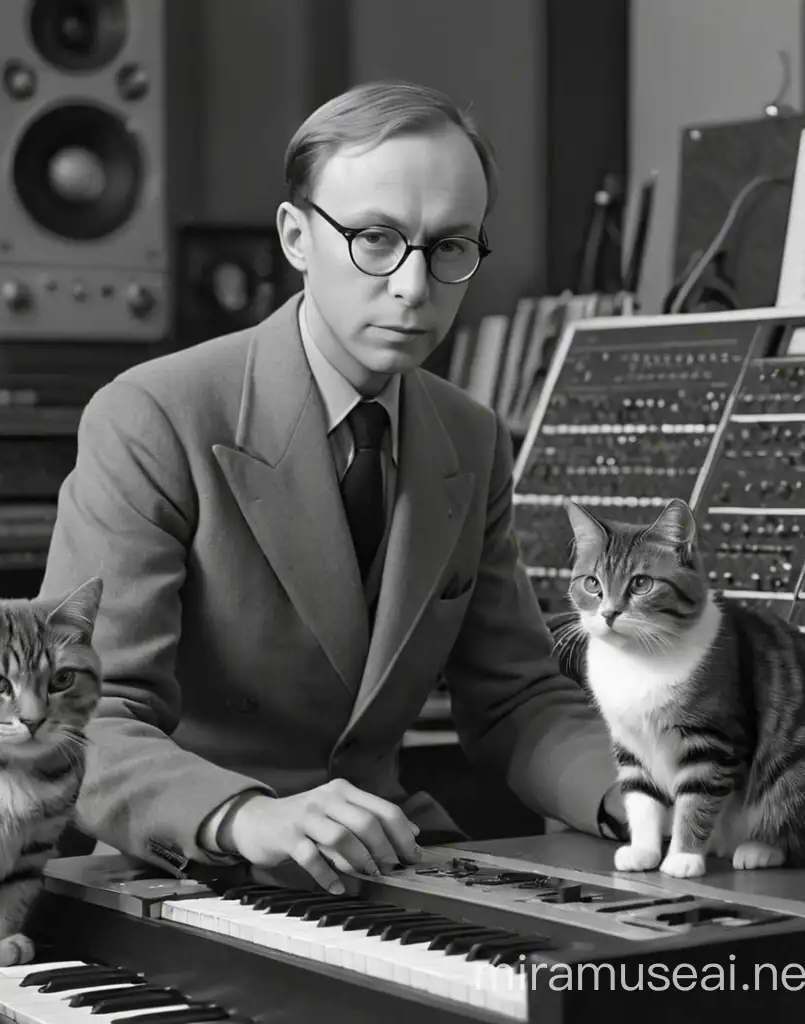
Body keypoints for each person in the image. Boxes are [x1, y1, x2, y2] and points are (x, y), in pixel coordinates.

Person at [38, 79, 622, 895]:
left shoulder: (471, 434)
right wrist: (247, 815)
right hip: (196, 867)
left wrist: (637, 791)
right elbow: (83, 720)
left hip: (391, 862)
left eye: (450, 247)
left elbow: (516, 698)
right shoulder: (150, 416)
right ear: (295, 236)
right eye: (376, 240)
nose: (415, 289)